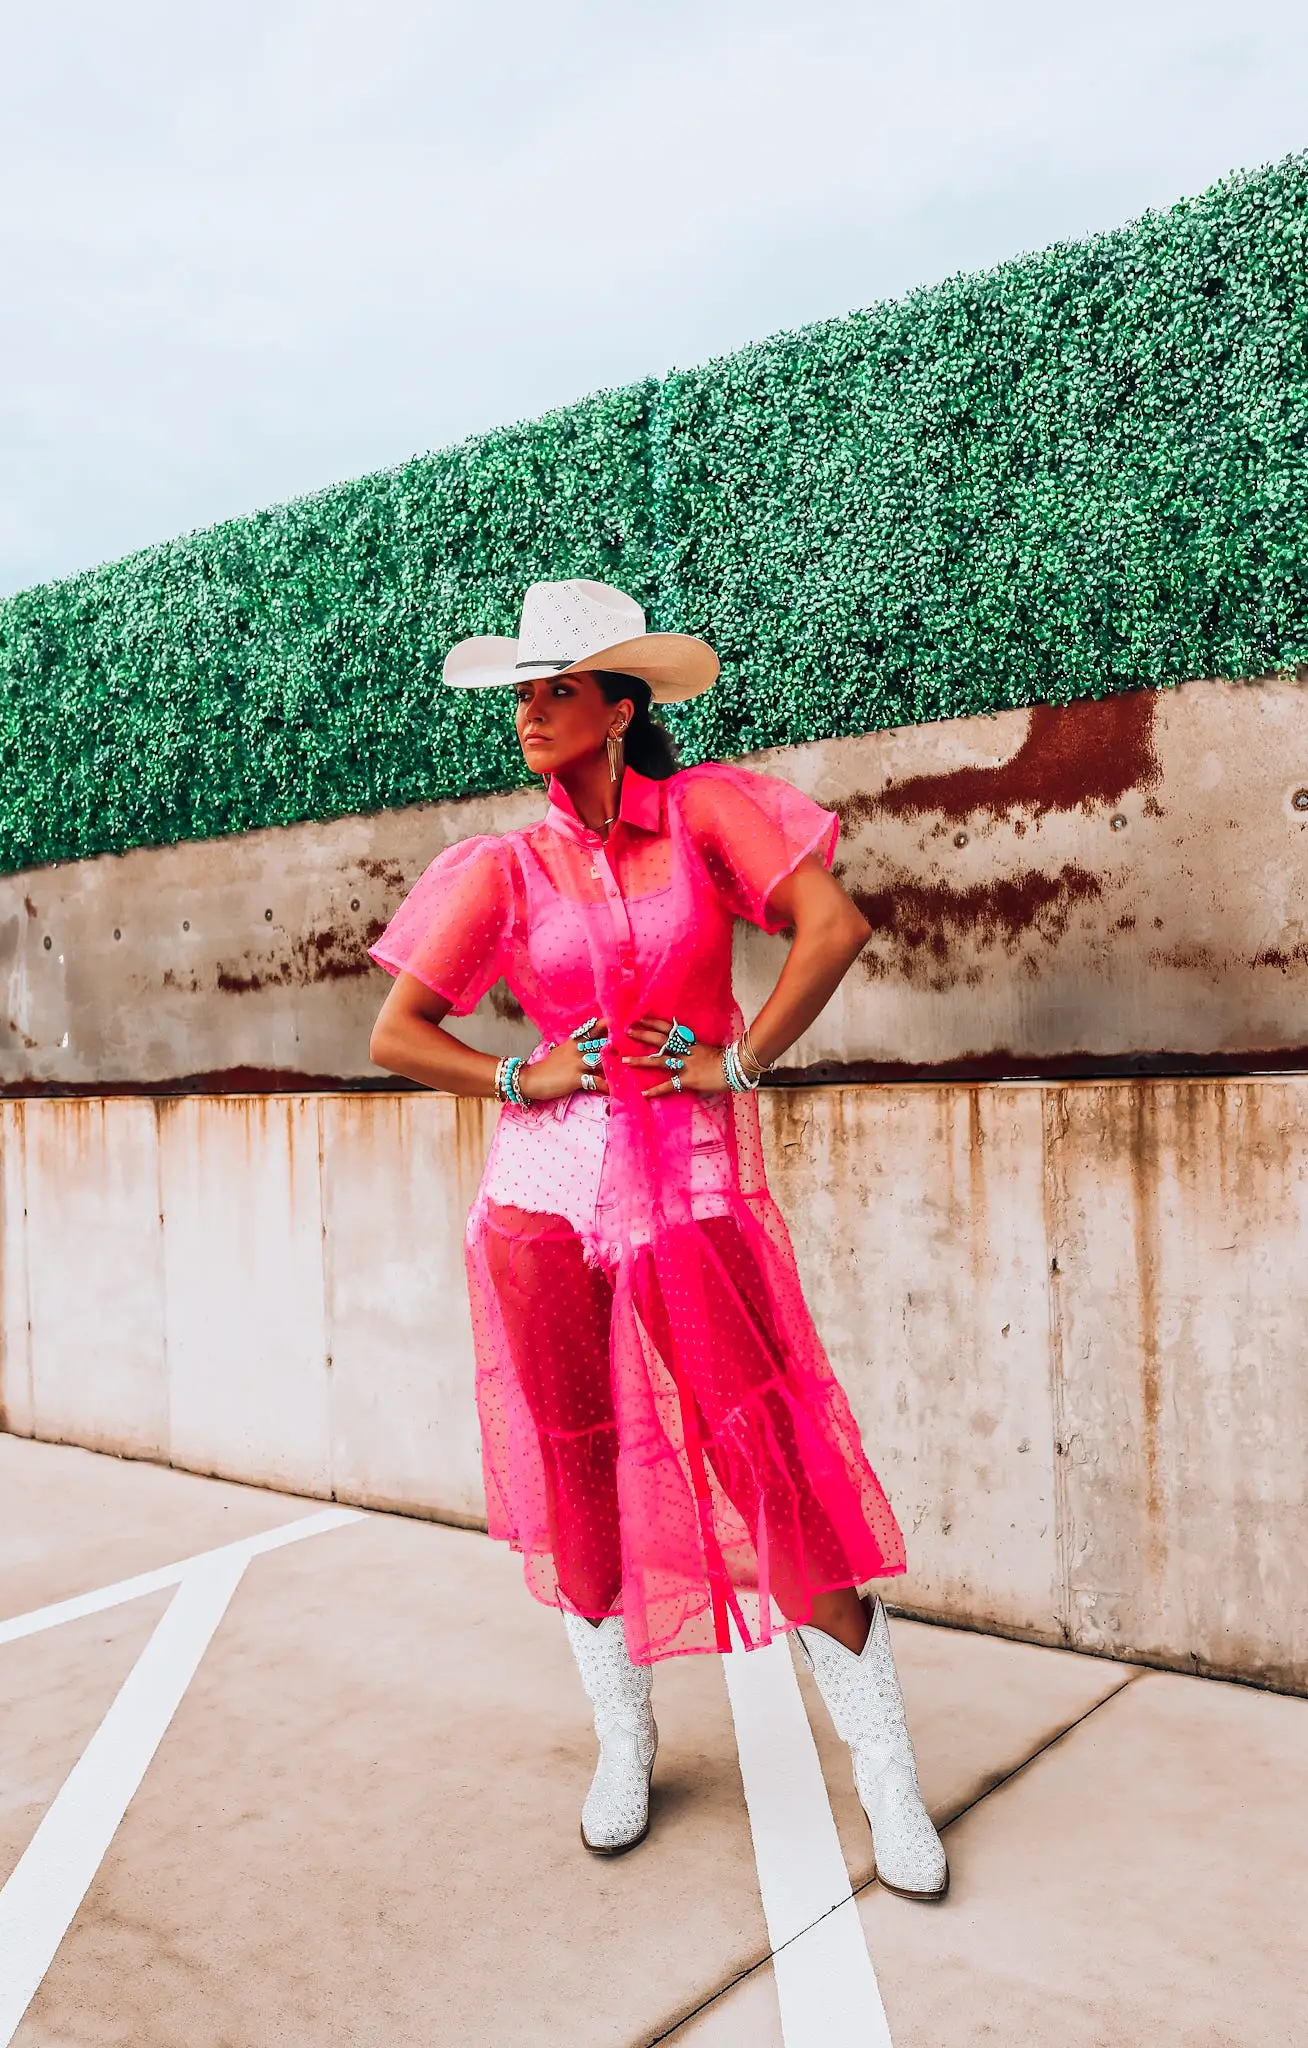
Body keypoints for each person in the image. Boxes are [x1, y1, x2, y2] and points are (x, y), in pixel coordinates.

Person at [369, 579, 947, 1901]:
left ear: (619, 706)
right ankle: (620, 1749)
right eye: (521, 693)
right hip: (541, 1194)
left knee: (772, 1459)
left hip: (682, 1181)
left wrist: (737, 1063)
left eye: (553, 690)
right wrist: (518, 1078)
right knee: (577, 1468)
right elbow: (397, 1035)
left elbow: (833, 929)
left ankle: (891, 1788)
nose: (527, 714)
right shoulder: (500, 867)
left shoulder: (707, 819)